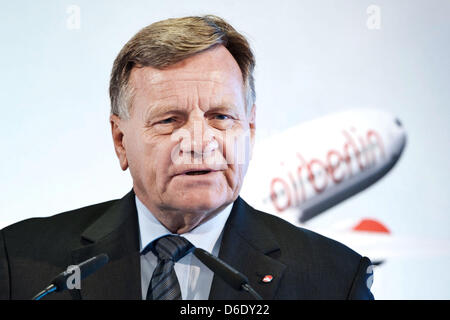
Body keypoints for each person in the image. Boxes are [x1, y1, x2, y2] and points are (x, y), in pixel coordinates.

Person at [0, 15, 374, 300]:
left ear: (251, 129)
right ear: (119, 139)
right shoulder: (20, 263)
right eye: (169, 120)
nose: (198, 141)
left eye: (220, 117)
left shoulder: (334, 279)